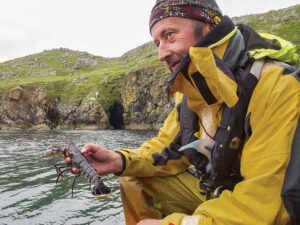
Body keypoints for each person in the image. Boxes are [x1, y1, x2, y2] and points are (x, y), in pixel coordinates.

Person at [68, 0, 300, 224]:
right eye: (157, 43)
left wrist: (175, 224)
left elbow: (270, 205)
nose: (161, 54)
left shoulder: (277, 86)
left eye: (169, 35)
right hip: (220, 188)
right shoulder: (190, 89)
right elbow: (169, 149)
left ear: (209, 26)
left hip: (261, 204)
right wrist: (119, 160)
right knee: (134, 180)